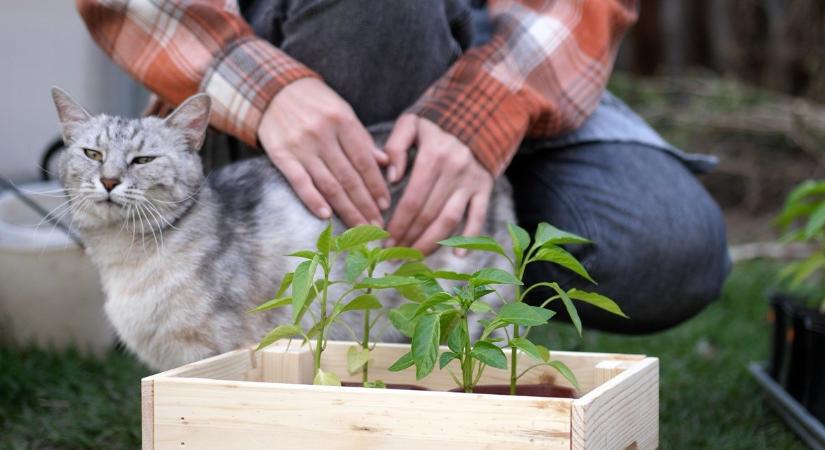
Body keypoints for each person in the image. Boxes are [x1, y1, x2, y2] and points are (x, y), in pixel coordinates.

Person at [76, 0, 730, 334]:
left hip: (507, 56)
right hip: (270, 57)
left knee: (666, 244)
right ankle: (314, 295)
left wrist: (485, 107)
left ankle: (453, 277)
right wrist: (267, 90)